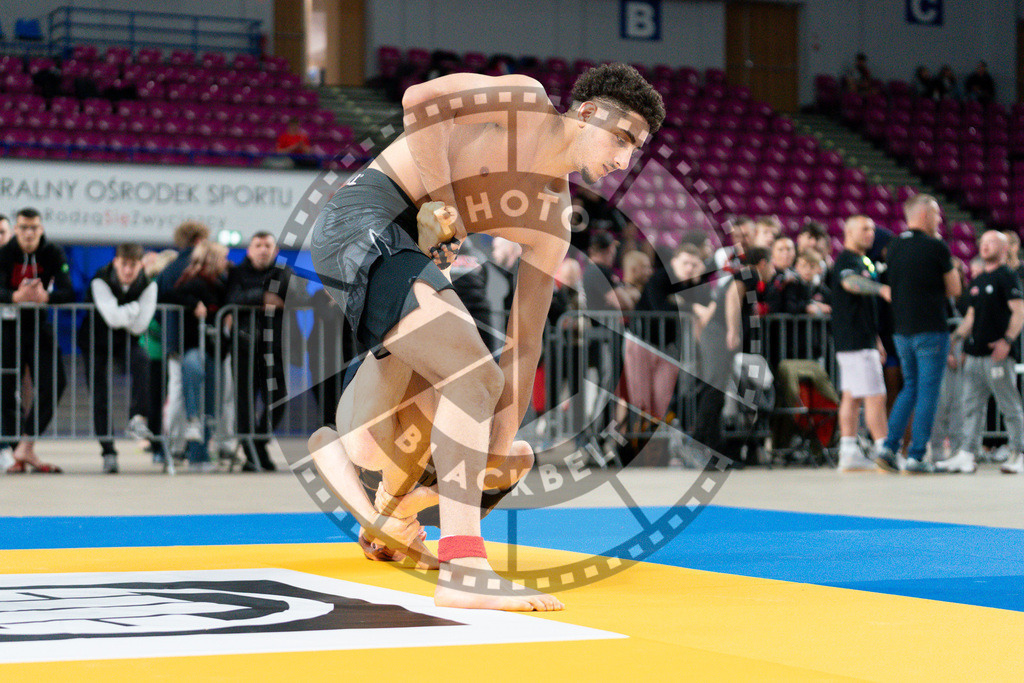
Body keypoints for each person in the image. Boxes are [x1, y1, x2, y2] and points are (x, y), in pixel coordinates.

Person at [309, 64, 663, 610]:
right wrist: (440, 201)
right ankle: (464, 568)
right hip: (365, 216)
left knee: (469, 406)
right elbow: (420, 99)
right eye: (623, 139)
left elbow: (526, 344)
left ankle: (395, 505)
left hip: (413, 253)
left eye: (635, 150)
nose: (624, 160)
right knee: (472, 373)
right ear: (588, 112)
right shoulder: (524, 101)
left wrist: (499, 434)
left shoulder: (552, 221)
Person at [876, 195, 961, 473]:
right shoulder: (936, 246)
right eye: (936, 214)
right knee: (927, 392)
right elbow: (954, 289)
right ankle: (916, 456)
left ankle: (888, 447)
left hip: (902, 331)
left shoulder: (895, 246)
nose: (940, 220)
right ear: (924, 214)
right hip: (930, 329)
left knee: (909, 388)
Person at [937, 232, 1024, 474]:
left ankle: (1020, 452)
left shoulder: (1007, 276)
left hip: (997, 354)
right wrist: (953, 339)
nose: (985, 246)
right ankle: (967, 454)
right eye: (982, 242)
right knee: (970, 406)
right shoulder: (978, 280)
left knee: (1009, 404)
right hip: (974, 355)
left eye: (991, 243)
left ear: (1005, 248)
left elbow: (1019, 311)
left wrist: (1007, 341)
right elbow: (971, 318)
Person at [225, 231, 309, 472]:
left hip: (275, 348)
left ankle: (259, 443)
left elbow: (300, 297)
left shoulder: (283, 273)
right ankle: (253, 455)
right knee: (245, 403)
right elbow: (232, 298)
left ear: (276, 250)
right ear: (249, 250)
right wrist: (262, 297)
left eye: (267, 245)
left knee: (278, 398)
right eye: (258, 245)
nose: (263, 249)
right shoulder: (237, 273)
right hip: (243, 347)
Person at [0, 208, 73, 473]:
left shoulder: (52, 252)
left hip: (39, 327)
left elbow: (69, 291)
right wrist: (13, 297)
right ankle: (14, 452)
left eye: (34, 228)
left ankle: (26, 445)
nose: (29, 233)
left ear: (41, 229)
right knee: (5, 388)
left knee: (56, 382)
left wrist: (47, 298)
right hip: (7, 328)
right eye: (23, 228)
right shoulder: (4, 253)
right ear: (16, 229)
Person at [80, 242, 158, 473]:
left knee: (142, 361)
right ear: (116, 262)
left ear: (141, 265)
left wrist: (123, 314)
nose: (127, 270)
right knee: (100, 395)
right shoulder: (100, 279)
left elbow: (139, 327)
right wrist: (133, 309)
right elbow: (113, 319)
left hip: (126, 341)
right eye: (124, 264)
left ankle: (137, 417)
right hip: (94, 341)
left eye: (133, 265)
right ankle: (108, 452)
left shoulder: (148, 285)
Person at [827, 216, 892, 472]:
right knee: (876, 396)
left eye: (873, 229)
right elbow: (849, 283)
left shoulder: (863, 260)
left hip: (860, 339)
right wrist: (881, 289)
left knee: (852, 397)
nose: (870, 234)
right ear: (849, 232)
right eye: (864, 229)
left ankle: (849, 451)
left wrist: (876, 340)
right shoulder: (847, 260)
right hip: (855, 340)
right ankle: (883, 451)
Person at [170, 241, 229, 472]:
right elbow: (171, 295)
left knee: (213, 402)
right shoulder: (191, 281)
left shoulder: (220, 283)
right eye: (222, 257)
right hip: (195, 347)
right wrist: (193, 304)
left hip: (216, 350)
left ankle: (201, 453)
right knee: (194, 372)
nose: (226, 262)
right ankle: (194, 431)